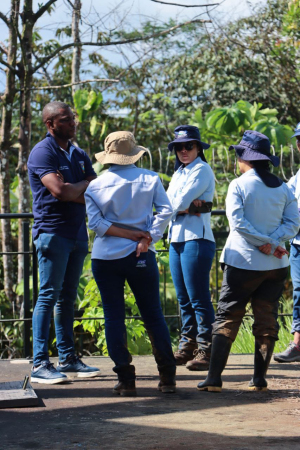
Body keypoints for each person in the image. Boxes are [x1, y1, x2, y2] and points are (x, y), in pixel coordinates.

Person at [197, 130, 299, 393]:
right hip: (276, 266)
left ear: (244, 157)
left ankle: (214, 379)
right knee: (267, 319)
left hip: (242, 263)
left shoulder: (239, 185)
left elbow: (238, 223)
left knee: (228, 316)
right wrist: (273, 242)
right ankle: (259, 379)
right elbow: (293, 223)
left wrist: (262, 242)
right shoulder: (285, 188)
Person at [85, 131, 176, 396]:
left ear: (108, 156)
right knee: (153, 314)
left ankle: (126, 379)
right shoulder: (150, 178)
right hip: (141, 254)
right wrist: (146, 238)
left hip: (105, 258)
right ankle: (167, 376)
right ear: (134, 152)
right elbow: (166, 211)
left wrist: (128, 234)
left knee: (114, 316)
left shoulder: (95, 185)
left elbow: (97, 225)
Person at [28, 101, 100, 384]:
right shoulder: (42, 152)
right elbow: (59, 190)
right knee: (48, 296)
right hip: (53, 233)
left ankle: (68, 358)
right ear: (50, 124)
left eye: (73, 118)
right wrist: (81, 187)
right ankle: (39, 364)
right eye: (66, 119)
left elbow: (94, 188)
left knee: (67, 298)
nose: (73, 122)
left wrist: (77, 188)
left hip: (77, 233)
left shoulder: (78, 152)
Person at [167, 125, 216, 371]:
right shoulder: (179, 173)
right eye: (179, 147)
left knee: (198, 298)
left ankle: (207, 349)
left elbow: (175, 203)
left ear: (198, 148)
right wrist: (181, 207)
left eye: (189, 146)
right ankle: (187, 346)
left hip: (197, 238)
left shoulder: (202, 169)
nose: (183, 151)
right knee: (184, 299)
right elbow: (168, 204)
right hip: (176, 238)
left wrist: (182, 206)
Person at [274, 122, 300, 363]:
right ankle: (297, 344)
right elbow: (284, 205)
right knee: (299, 293)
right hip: (298, 244)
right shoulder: (297, 177)